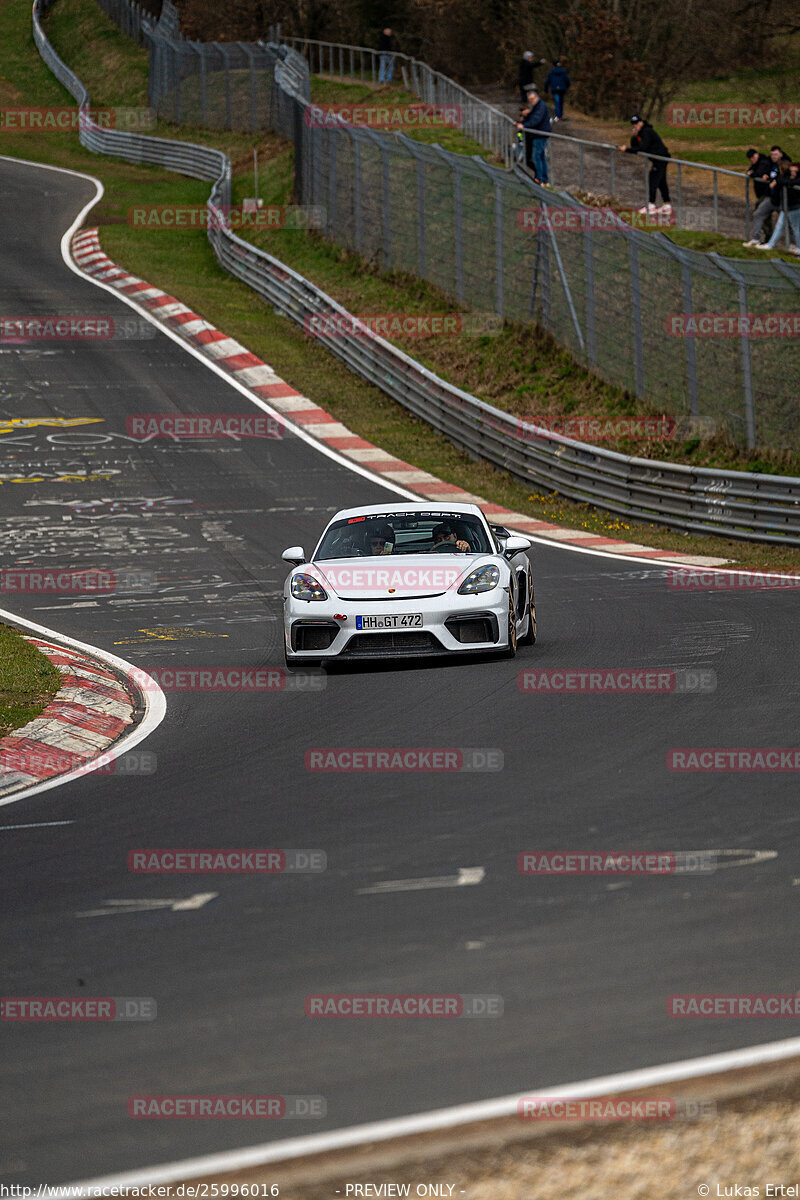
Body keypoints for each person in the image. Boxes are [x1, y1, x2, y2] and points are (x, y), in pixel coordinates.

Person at [620, 115, 671, 215]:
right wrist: (635, 136)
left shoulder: (647, 132)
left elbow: (642, 148)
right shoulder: (641, 133)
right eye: (634, 124)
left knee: (653, 180)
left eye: (637, 123)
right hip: (658, 159)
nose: (636, 126)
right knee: (661, 182)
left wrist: (627, 150)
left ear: (641, 122)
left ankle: (651, 205)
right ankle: (667, 205)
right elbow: (636, 146)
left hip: (660, 158)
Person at [744, 145, 791, 247]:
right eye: (772, 154)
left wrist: (775, 181)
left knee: (789, 222)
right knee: (758, 213)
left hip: (783, 199)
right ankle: (756, 239)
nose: (774, 156)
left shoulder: (785, 163)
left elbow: (786, 178)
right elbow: (763, 169)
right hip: (771, 197)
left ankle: (793, 244)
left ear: (781, 154)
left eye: (776, 154)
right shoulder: (769, 162)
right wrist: (766, 175)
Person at [759, 161, 800, 254]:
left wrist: (777, 181)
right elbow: (782, 180)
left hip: (794, 207)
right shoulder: (786, 178)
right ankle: (770, 244)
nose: (793, 173)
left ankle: (799, 247)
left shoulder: (795, 180)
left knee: (796, 228)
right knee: (779, 226)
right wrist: (775, 180)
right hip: (786, 207)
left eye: (795, 171)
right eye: (791, 171)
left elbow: (787, 182)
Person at [517, 86, 551, 184]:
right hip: (537, 134)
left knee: (537, 156)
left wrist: (523, 125)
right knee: (540, 156)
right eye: (529, 100)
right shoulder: (536, 107)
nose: (531, 101)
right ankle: (543, 179)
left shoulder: (540, 106)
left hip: (539, 134)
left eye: (532, 99)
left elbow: (536, 120)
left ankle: (540, 179)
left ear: (537, 98)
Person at [743, 147, 776, 246]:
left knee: (760, 213)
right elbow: (752, 170)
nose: (752, 161)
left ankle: (767, 236)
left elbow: (759, 173)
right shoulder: (757, 163)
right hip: (762, 194)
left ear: (756, 155)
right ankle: (767, 236)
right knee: (764, 216)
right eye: (750, 159)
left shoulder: (763, 162)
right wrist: (751, 172)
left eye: (752, 158)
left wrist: (752, 173)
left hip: (766, 193)